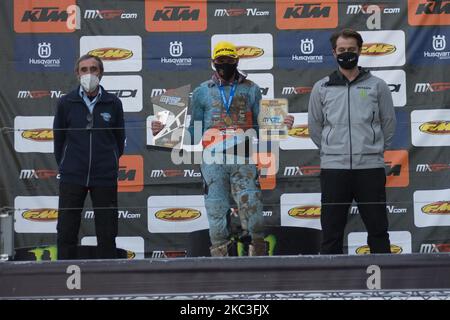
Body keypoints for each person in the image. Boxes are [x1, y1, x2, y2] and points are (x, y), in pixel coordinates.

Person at [152, 41, 293, 256]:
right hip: (212, 159)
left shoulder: (251, 88)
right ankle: (220, 265)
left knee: (253, 212)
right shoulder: (201, 92)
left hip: (243, 158)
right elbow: (194, 132)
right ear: (213, 63)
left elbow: (261, 126)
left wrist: (282, 125)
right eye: (220, 61)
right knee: (216, 213)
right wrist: (165, 131)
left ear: (236, 61)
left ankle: (260, 263)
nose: (224, 64)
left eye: (228, 60)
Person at [307, 29, 396, 255]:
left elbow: (388, 124)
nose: (347, 54)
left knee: (378, 230)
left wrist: (371, 149)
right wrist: (332, 150)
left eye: (351, 50)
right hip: (334, 169)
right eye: (342, 50)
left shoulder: (377, 85)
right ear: (333, 52)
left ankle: (384, 285)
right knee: (331, 232)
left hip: (370, 169)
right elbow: (315, 127)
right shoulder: (322, 87)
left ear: (360, 51)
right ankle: (330, 286)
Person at [53, 54, 125, 260]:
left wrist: (109, 161)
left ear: (101, 73)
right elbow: (59, 141)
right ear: (77, 74)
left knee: (107, 230)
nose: (89, 74)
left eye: (94, 69)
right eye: (84, 70)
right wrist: (68, 164)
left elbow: (119, 141)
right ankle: (64, 274)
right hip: (72, 175)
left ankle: (107, 279)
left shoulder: (113, 102)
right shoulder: (65, 102)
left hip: (104, 176)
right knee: (66, 229)